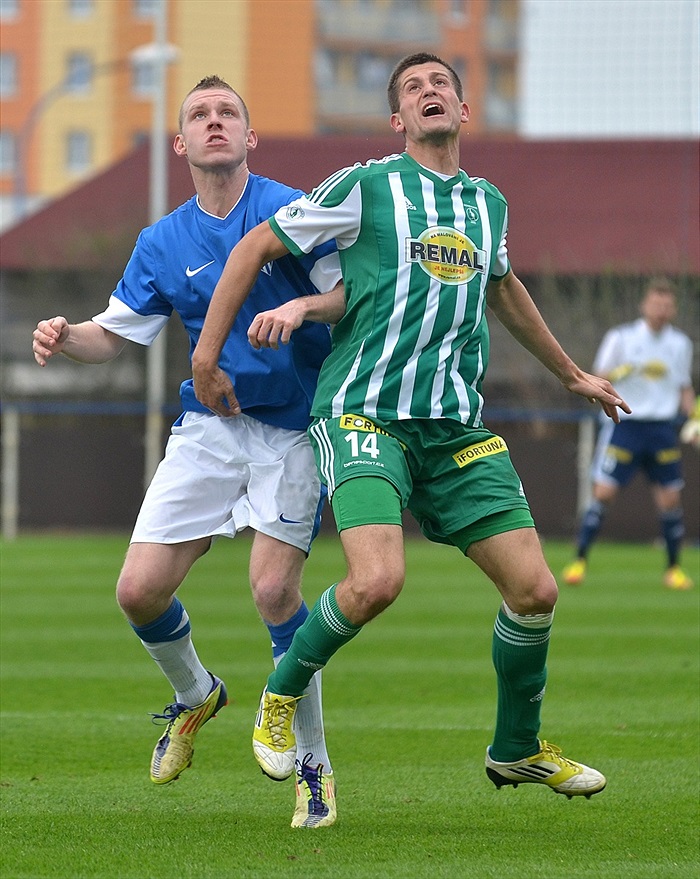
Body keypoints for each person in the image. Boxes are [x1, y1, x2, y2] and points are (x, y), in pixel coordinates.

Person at [191, 53, 630, 802]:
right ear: (398, 120)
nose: (430, 93)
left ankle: (516, 748)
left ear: (464, 109)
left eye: (441, 86)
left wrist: (571, 373)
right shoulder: (367, 186)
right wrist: (206, 354)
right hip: (363, 411)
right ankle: (279, 696)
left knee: (536, 591)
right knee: (378, 578)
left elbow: (503, 284)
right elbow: (255, 245)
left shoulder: (488, 203)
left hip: (455, 427)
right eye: (413, 89)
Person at [31, 76, 346, 829]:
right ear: (180, 143)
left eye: (228, 112)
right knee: (137, 591)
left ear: (250, 136)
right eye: (200, 115)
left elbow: (347, 295)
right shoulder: (161, 240)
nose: (214, 123)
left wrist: (302, 305)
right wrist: (65, 335)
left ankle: (313, 763)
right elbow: (114, 334)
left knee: (274, 593)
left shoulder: (289, 209)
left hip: (291, 427)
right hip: (207, 429)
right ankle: (198, 692)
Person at [563, 278, 696, 591]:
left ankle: (674, 569)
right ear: (644, 305)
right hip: (625, 425)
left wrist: (693, 421)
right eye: (656, 303)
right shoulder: (621, 337)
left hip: (661, 429)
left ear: (673, 309)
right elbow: (596, 377)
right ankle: (579, 561)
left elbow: (684, 388)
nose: (661, 310)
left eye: (667, 305)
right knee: (603, 495)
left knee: (671, 500)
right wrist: (625, 372)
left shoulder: (680, 344)